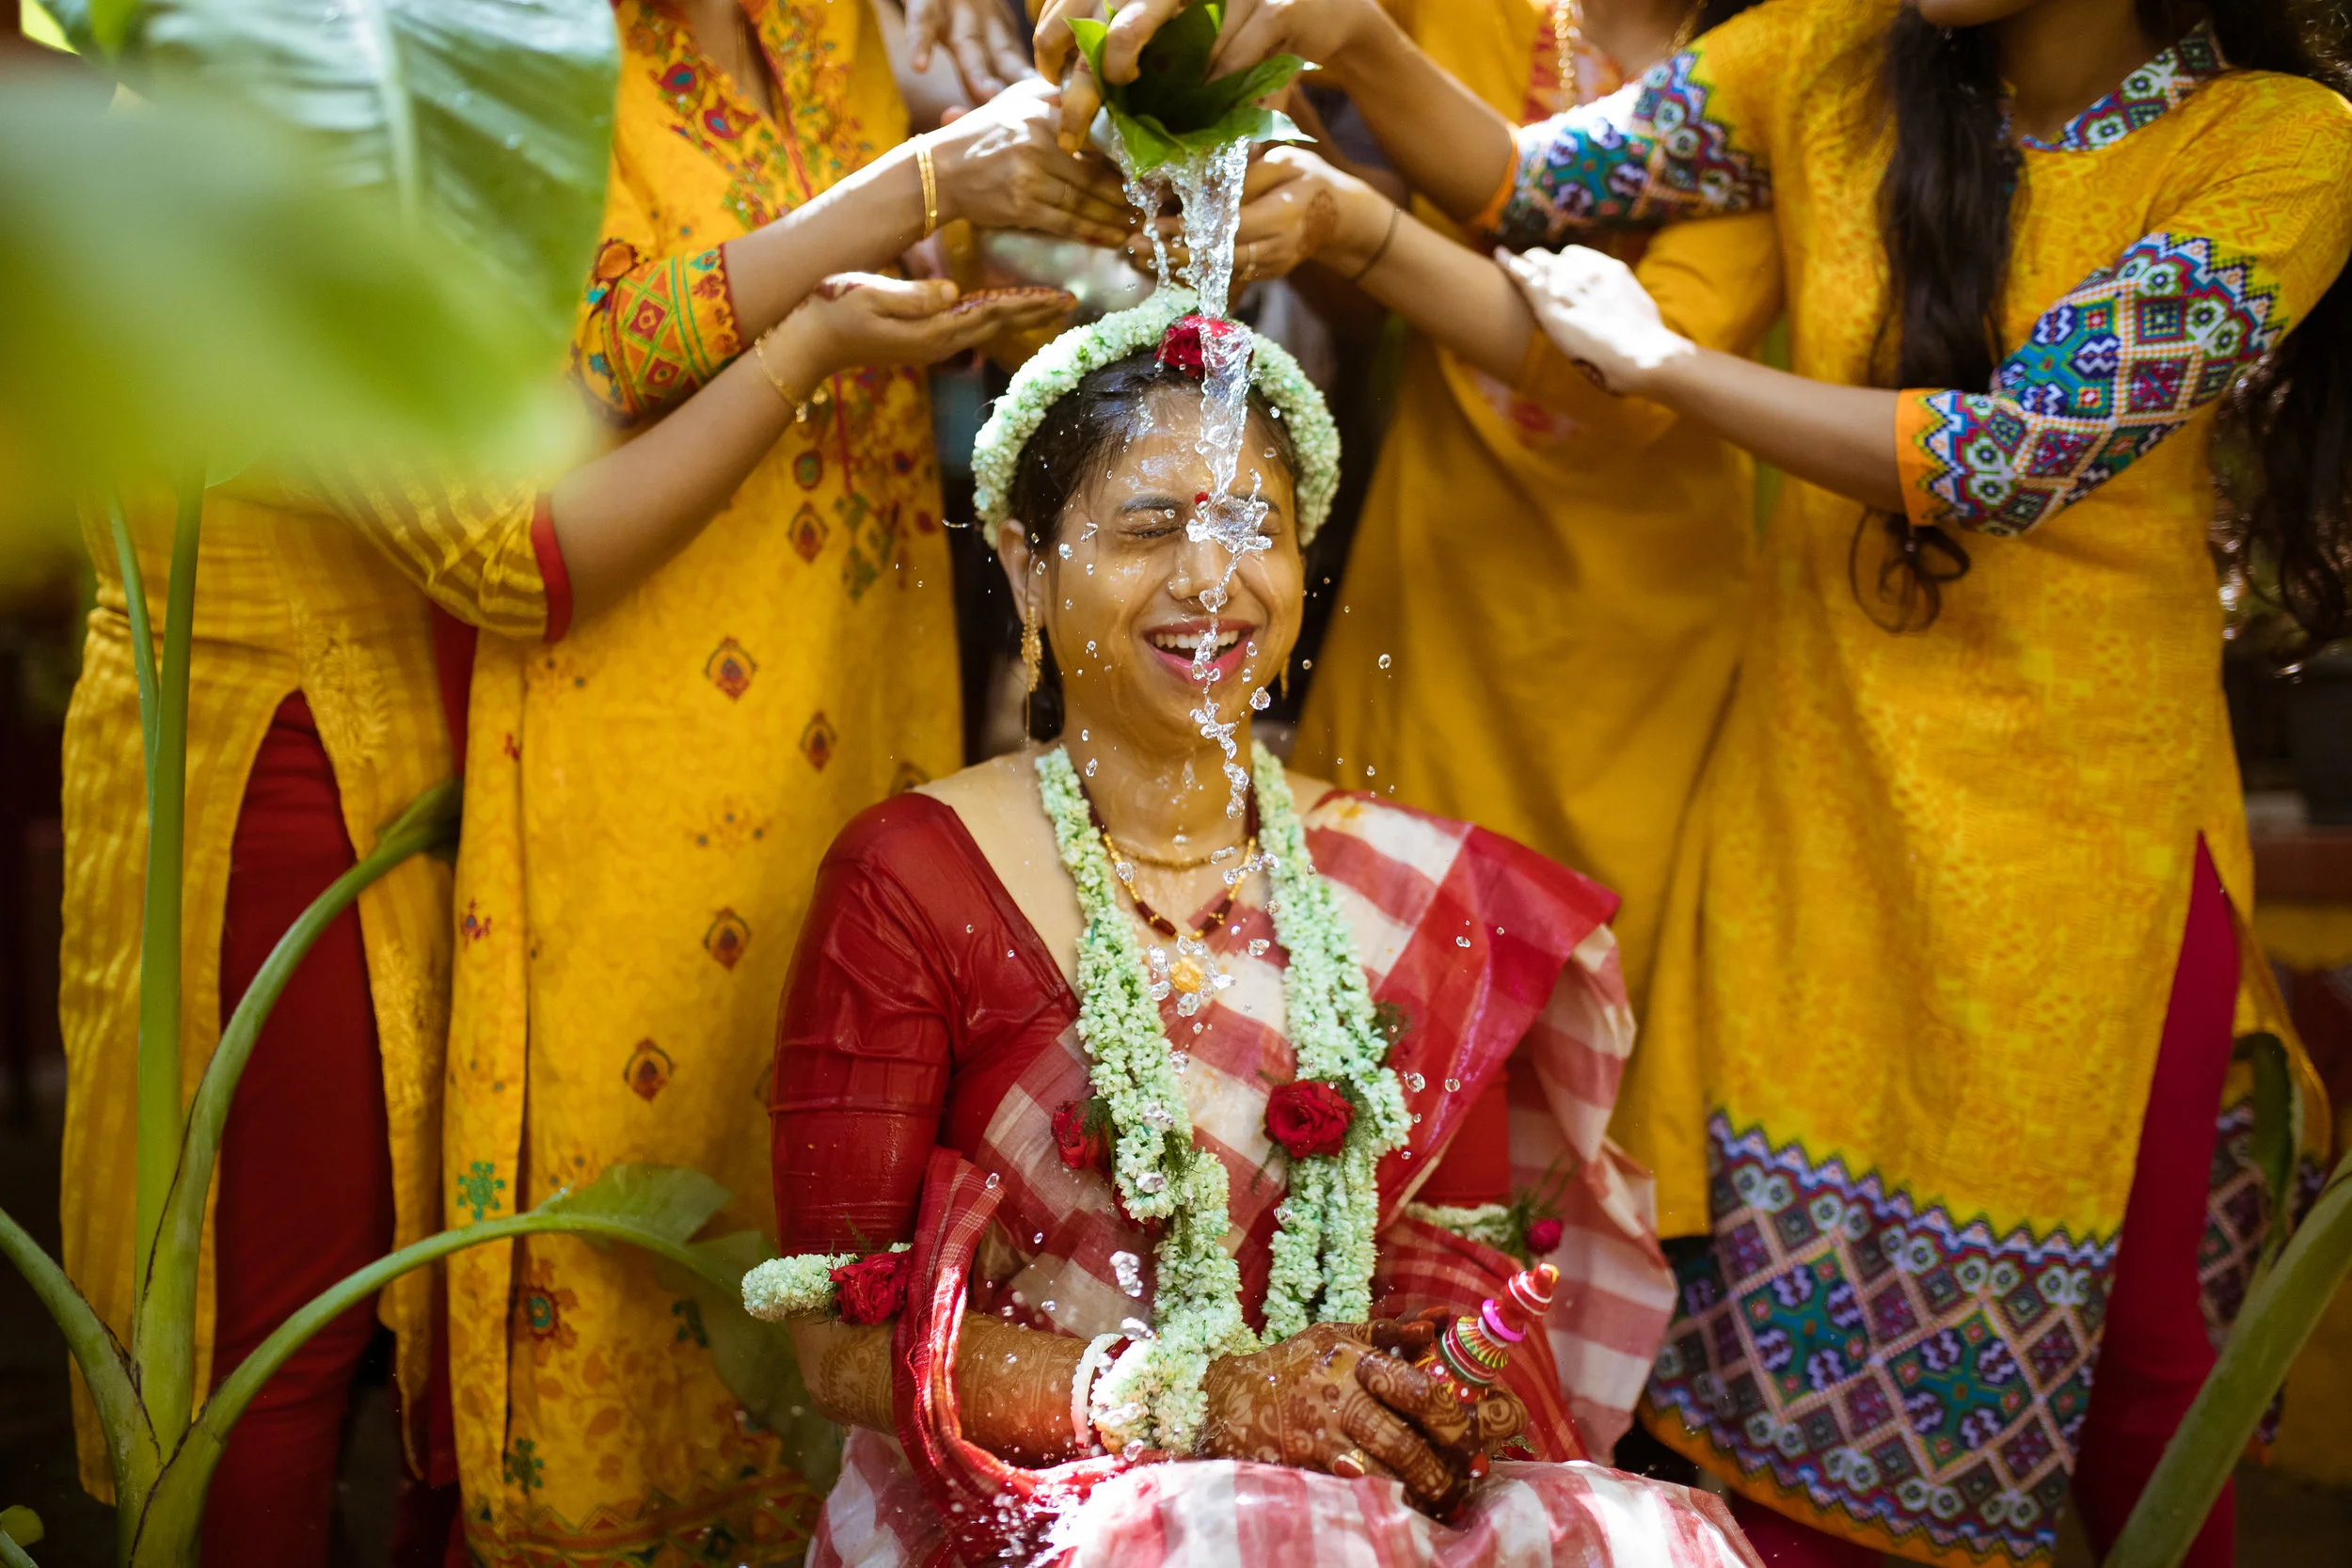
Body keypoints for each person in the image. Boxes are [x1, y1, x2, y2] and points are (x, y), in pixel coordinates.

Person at [1043, 0, 2352, 1562]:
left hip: (2089, 829)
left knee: (2139, 1381)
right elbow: (1535, 183)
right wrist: (1362, 48)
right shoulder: (1824, 51)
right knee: (1749, 1387)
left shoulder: (2285, 145)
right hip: (1819, 793)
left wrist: (1659, 361)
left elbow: (2018, 449)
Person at [55, 265, 1050, 1566]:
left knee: (429, 1324)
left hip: (482, 733)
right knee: (275, 1332)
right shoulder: (282, 106)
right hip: (278, 733)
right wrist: (820, 314)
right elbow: (505, 551)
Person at [750, 293, 1759, 1567]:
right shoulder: (911, 875)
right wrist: (1209, 1403)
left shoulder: (1407, 885)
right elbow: (836, 1339)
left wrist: (1447, 1389)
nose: (1211, 577)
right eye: (1151, 526)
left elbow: (1455, 1266)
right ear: (1023, 564)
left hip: (1338, 1489)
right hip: (1024, 1493)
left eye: (1252, 528)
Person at [437, 1, 1130, 1560]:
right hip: (644, 711)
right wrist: (912, 197)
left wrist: (1004, 270)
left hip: (861, 673)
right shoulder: (519, 45)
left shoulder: (832, 27)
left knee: (841, 1154)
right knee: (646, 1167)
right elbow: (560, 372)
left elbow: (877, 278)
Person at [1286, 0, 1778, 1011]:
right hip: (1427, 585)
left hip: (1630, 649)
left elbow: (1631, 382)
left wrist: (1345, 216)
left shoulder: (1775, 54)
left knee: (1579, 1038)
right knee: (1350, 1020)